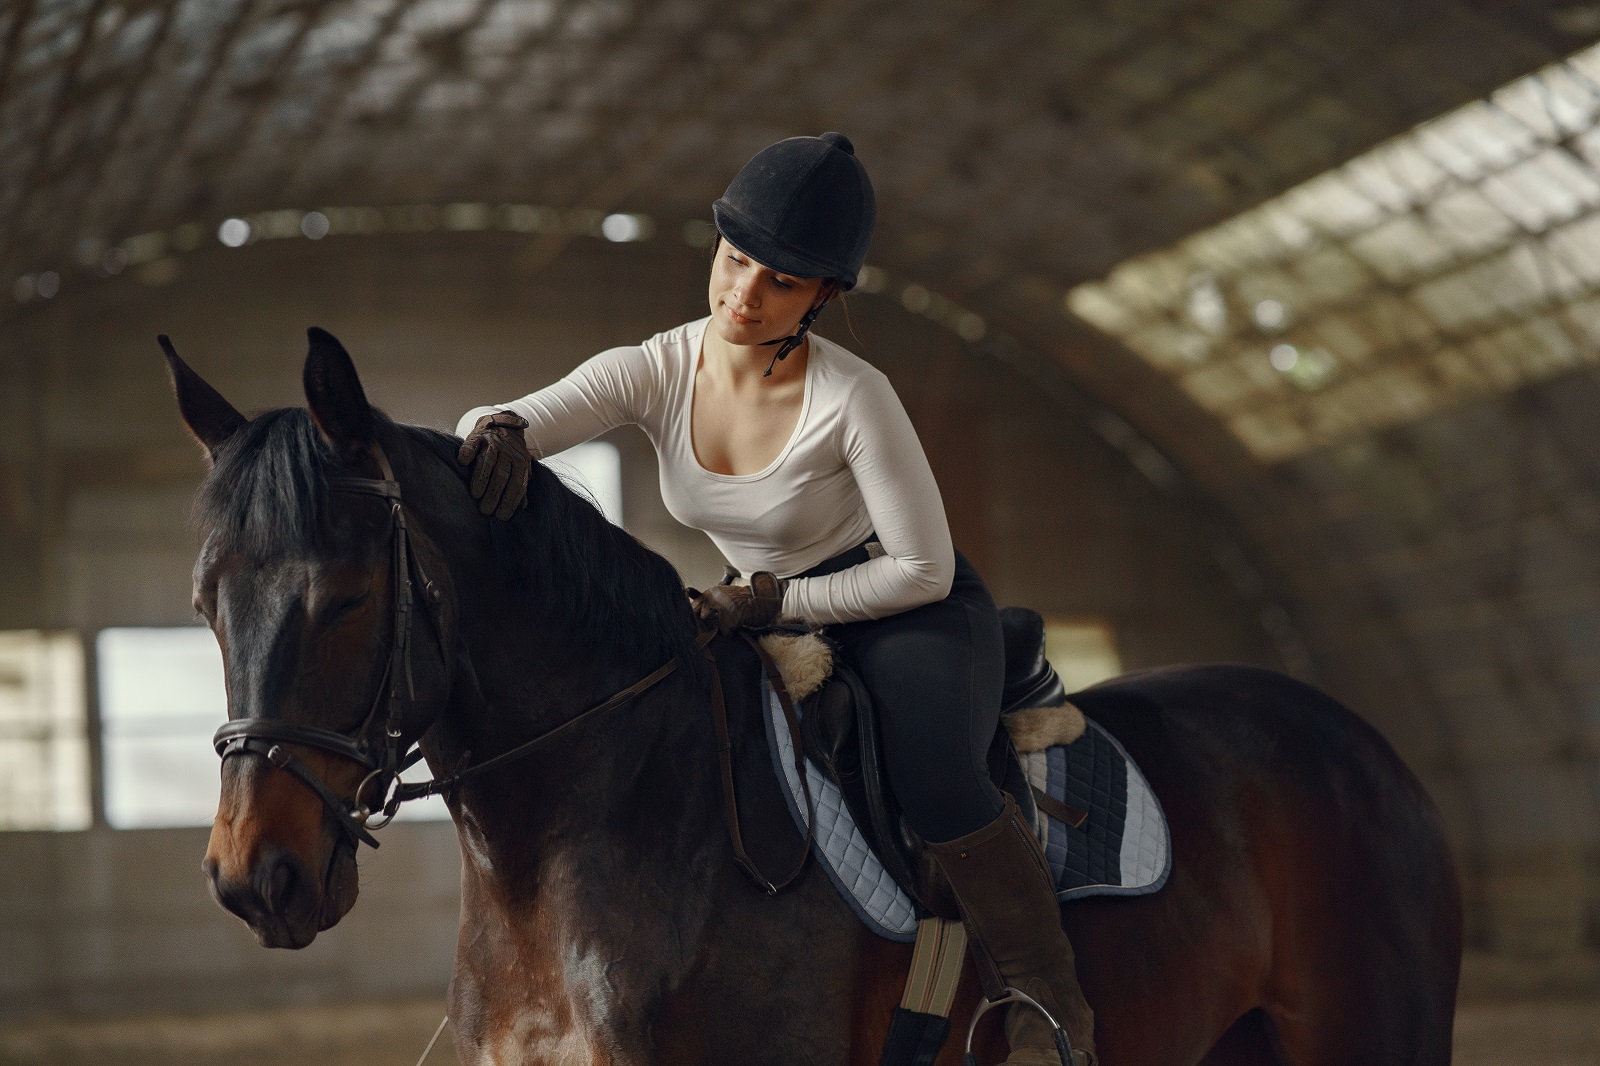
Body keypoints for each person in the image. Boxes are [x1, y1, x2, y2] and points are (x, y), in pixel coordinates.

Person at [455, 133, 1095, 1066]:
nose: (743, 297)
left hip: (905, 606)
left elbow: (920, 566)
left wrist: (772, 600)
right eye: (735, 261)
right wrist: (498, 433)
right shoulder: (654, 367)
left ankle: (1049, 999)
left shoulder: (855, 397)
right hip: (756, 608)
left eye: (780, 283)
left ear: (823, 296)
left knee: (935, 773)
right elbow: (495, 418)